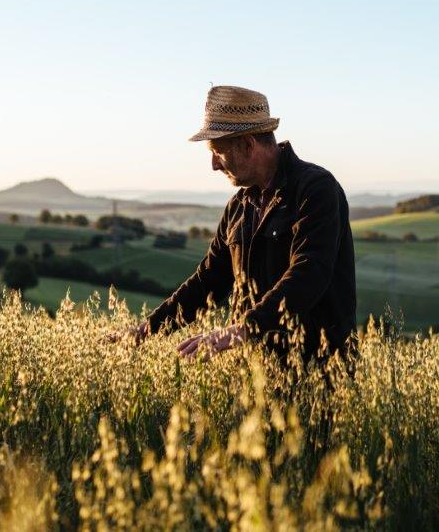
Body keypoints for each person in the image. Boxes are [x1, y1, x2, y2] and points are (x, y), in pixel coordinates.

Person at [116, 85, 357, 363]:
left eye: (218, 151)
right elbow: (208, 280)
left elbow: (309, 272)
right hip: (252, 375)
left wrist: (244, 329)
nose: (214, 165)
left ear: (248, 145)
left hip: (317, 371)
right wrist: (145, 331)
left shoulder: (315, 189)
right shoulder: (237, 207)